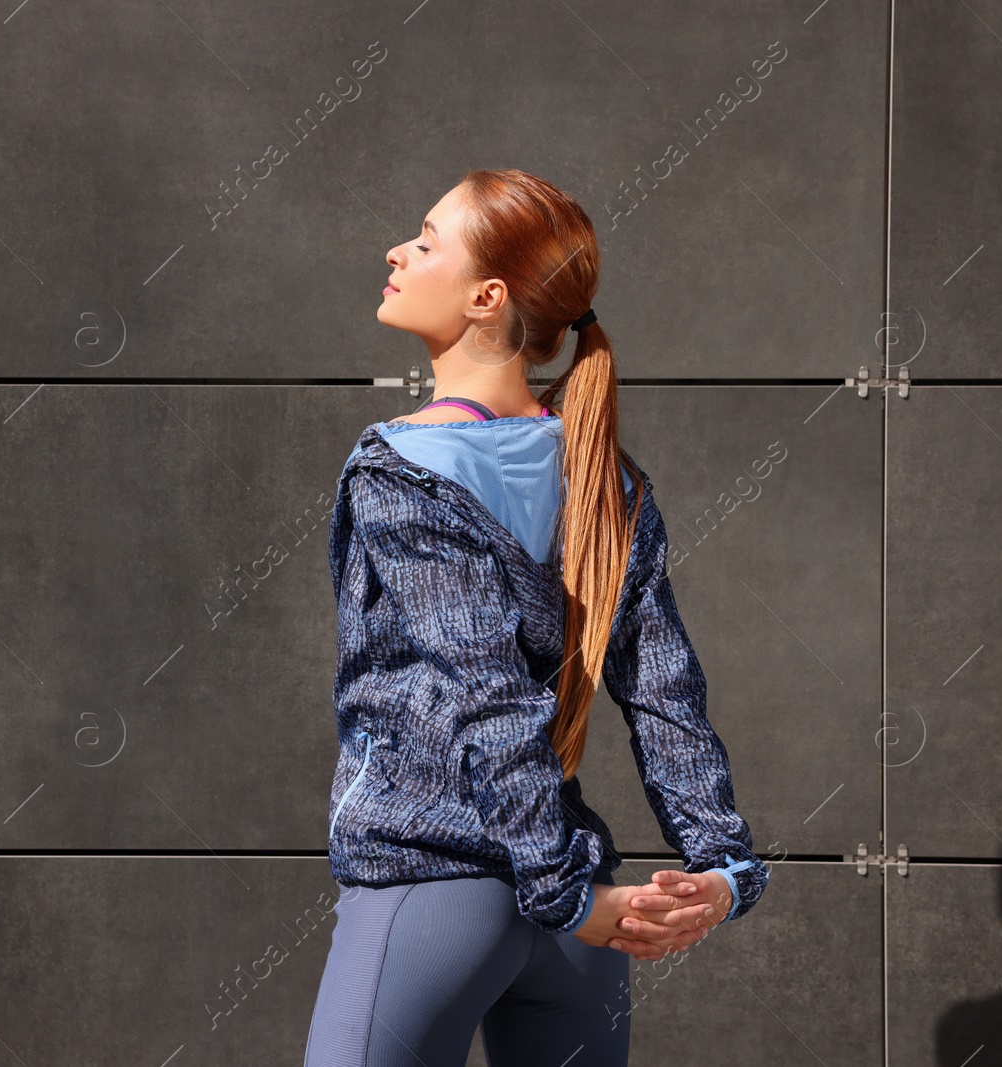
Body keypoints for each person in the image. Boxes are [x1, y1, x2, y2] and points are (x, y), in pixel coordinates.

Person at [304, 169, 770, 1066]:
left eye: (428, 240)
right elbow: (667, 692)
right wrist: (721, 869)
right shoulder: (607, 476)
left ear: (488, 296)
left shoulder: (400, 469)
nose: (397, 251)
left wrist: (563, 893)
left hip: (435, 895)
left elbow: (488, 698)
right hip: (577, 929)